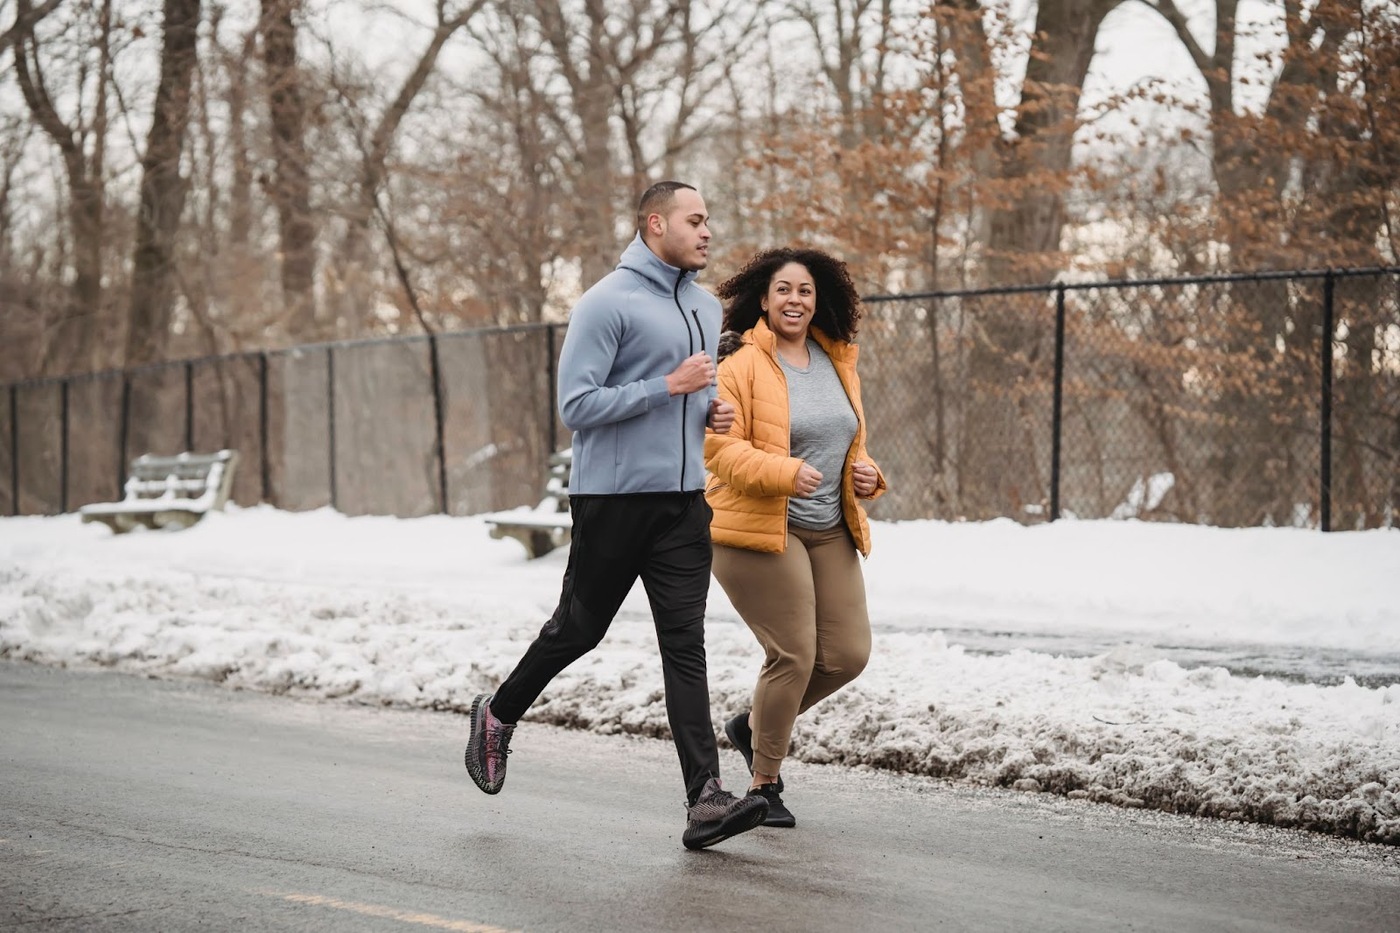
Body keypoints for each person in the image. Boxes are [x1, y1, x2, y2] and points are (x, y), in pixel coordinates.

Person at [464, 181, 769, 850]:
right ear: (656, 224)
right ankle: (498, 713)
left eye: (709, 220)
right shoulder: (606, 303)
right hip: (613, 501)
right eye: (695, 220)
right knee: (579, 628)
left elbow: (692, 391)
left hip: (684, 505)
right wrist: (670, 388)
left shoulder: (701, 300)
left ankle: (705, 799)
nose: (707, 231)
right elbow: (577, 405)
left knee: (685, 645)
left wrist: (706, 407)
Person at [704, 246, 887, 828]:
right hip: (757, 529)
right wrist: (783, 473)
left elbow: (846, 442)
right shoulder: (738, 366)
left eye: (805, 291)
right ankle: (765, 781)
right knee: (795, 654)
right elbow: (720, 451)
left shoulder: (836, 361)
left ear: (819, 300)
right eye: (783, 290)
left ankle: (752, 726)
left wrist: (870, 475)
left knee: (848, 655)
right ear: (763, 299)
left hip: (830, 526)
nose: (795, 300)